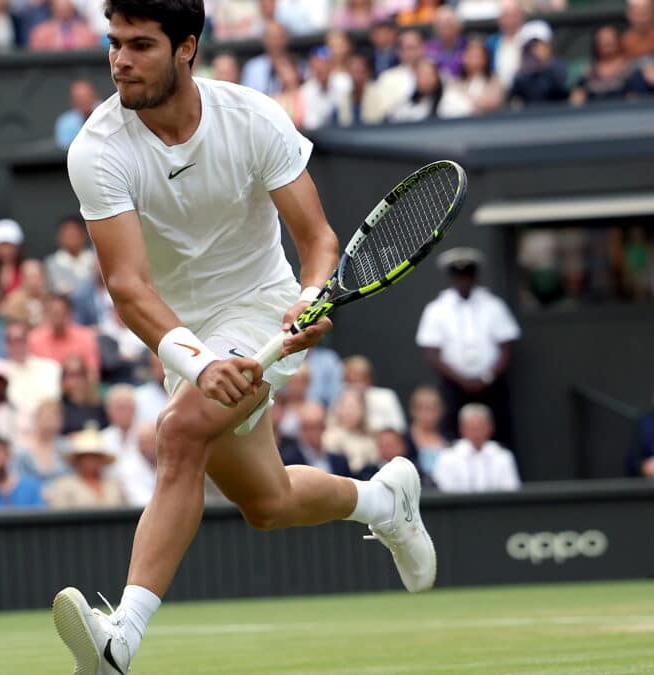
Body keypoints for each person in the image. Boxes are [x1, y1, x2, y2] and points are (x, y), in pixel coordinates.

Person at [54, 1, 435, 671]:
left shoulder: (254, 119)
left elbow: (318, 240)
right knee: (267, 500)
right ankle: (384, 500)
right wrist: (197, 361)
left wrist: (314, 295)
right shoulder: (97, 149)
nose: (120, 60)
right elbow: (128, 287)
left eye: (140, 45)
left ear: (186, 49)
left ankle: (121, 637)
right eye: (114, 43)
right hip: (185, 331)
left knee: (178, 433)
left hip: (261, 303)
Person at [416, 247, 520, 447]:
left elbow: (506, 346)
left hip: (491, 385)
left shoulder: (493, 305)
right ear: (451, 277)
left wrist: (487, 377)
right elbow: (431, 352)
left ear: (475, 276)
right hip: (454, 386)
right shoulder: (437, 309)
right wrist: (462, 379)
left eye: (467, 274)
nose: (463, 280)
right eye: (458, 275)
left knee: (499, 433)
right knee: (453, 435)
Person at [431, 404, 521, 493]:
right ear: (462, 429)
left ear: (490, 428)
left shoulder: (502, 455)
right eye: (472, 428)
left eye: (480, 428)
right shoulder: (448, 456)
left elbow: (511, 491)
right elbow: (443, 491)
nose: (477, 433)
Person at [45, 426, 125, 508]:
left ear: (101, 458)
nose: (90, 460)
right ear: (77, 459)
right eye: (86, 456)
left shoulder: (113, 484)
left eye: (95, 456)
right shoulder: (63, 486)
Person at [279, 400, 353, 478]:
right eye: (308, 427)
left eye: (318, 426)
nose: (314, 433)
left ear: (324, 427)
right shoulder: (288, 461)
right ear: (301, 429)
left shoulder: (340, 462)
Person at [571, 25, 634, 105]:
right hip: (593, 113)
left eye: (610, 39)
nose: (607, 42)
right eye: (602, 39)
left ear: (618, 41)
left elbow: (636, 99)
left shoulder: (632, 68)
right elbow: (576, 98)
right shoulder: (588, 72)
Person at [14, 399, 71, 484]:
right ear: (37, 418)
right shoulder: (22, 450)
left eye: (55, 418)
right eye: (48, 417)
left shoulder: (66, 447)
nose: (51, 423)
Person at [45, 215, 97, 296]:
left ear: (84, 235)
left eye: (74, 234)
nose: (71, 238)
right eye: (67, 235)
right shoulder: (51, 263)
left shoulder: (96, 261)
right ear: (59, 237)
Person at [408, 386, 449, 479]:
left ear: (441, 411)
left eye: (432, 409)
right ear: (413, 410)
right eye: (421, 408)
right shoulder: (404, 440)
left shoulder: (449, 439)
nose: (427, 414)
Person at [56, 80, 100, 149]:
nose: (84, 101)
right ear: (73, 101)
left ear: (94, 96)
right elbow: (64, 148)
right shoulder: (64, 122)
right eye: (79, 98)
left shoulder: (109, 113)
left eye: (86, 96)